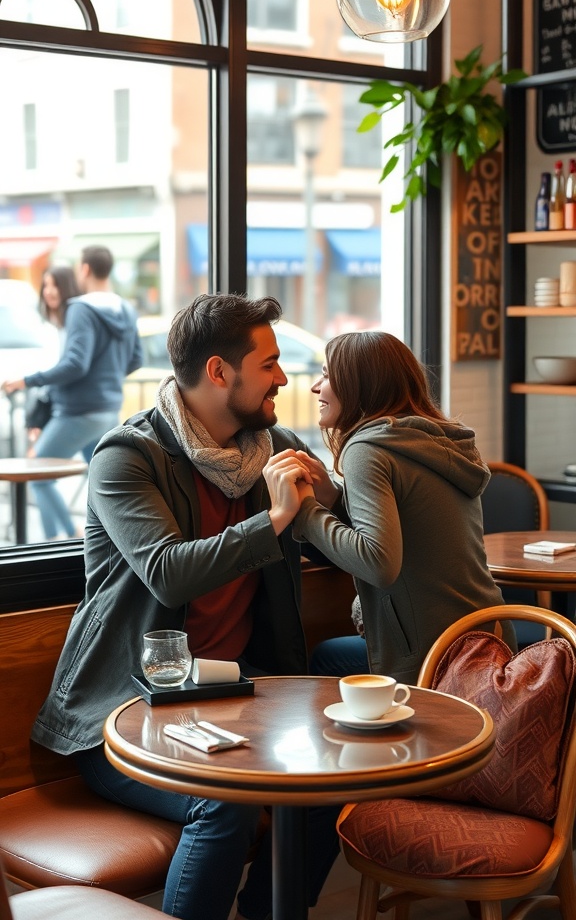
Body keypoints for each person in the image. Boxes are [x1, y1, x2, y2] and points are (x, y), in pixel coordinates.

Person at [30, 293, 341, 920]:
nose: (285, 378)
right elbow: (169, 574)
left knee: (328, 783)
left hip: (233, 701)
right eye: (271, 364)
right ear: (220, 373)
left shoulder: (271, 446)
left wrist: (333, 495)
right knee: (223, 802)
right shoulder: (126, 457)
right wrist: (278, 516)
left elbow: (344, 556)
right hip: (126, 715)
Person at [267, 330, 516, 683]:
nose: (315, 386)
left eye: (326, 375)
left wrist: (306, 510)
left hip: (437, 656)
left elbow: (379, 563)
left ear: (359, 385)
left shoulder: (367, 449)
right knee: (329, 657)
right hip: (488, 634)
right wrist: (333, 498)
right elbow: (410, 523)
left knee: (320, 663)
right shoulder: (434, 438)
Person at [1, 245, 143, 540]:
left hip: (79, 411)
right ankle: (108, 541)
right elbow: (136, 359)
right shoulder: (125, 308)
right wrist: (107, 380)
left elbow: (75, 364)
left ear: (85, 269)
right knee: (103, 481)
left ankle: (64, 538)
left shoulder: (80, 308)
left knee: (38, 477)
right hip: (108, 410)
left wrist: (27, 380)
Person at [24, 266, 82, 441]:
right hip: (60, 405)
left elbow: (72, 365)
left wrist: (27, 381)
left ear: (67, 287)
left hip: (74, 409)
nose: (49, 291)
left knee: (40, 461)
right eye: (45, 285)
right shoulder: (51, 324)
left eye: (55, 285)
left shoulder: (77, 320)